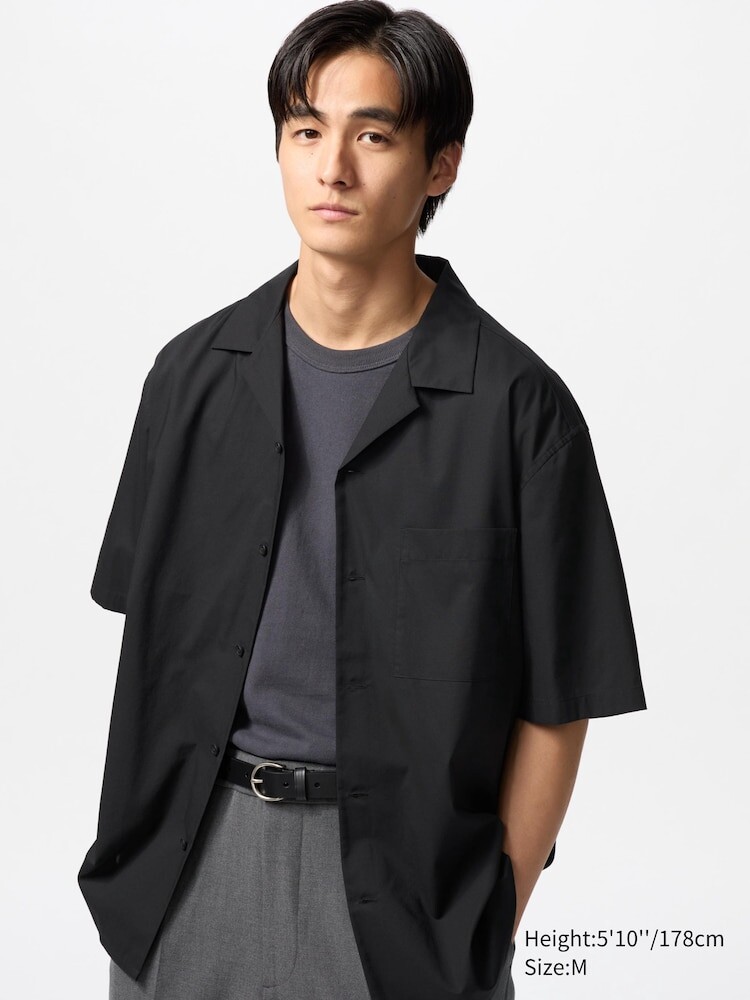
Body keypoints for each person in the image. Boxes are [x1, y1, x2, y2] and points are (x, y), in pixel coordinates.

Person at [78, 3, 647, 999]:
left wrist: (487, 920)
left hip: (404, 898)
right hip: (189, 867)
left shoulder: (521, 410)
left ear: (440, 166)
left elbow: (560, 704)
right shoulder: (189, 377)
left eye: (373, 136)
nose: (332, 168)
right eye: (306, 131)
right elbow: (152, 640)